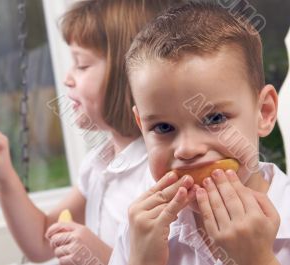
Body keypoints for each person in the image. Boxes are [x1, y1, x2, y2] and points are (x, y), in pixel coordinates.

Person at [0, 0, 178, 264]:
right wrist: (3, 172)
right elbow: (41, 241)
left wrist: (100, 257)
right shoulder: (98, 164)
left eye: (82, 65)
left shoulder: (157, 176)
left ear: (128, 77)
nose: (67, 78)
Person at [108, 2, 290, 265]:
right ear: (141, 125)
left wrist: (258, 259)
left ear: (264, 112)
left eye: (214, 119)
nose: (187, 149)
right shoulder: (139, 233)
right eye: (163, 128)